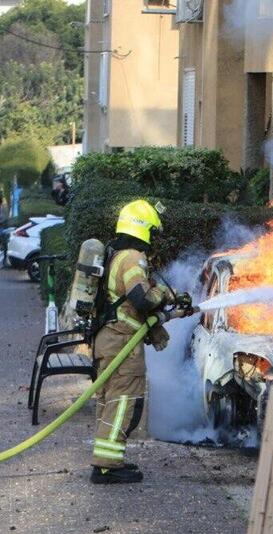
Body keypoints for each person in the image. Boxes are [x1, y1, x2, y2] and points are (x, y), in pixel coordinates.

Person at [88, 200, 193, 485]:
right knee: (123, 402)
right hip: (121, 344)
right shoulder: (133, 257)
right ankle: (108, 465)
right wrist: (165, 296)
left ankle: (106, 460)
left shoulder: (116, 255)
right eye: (153, 231)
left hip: (109, 341)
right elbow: (142, 299)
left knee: (110, 401)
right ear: (144, 228)